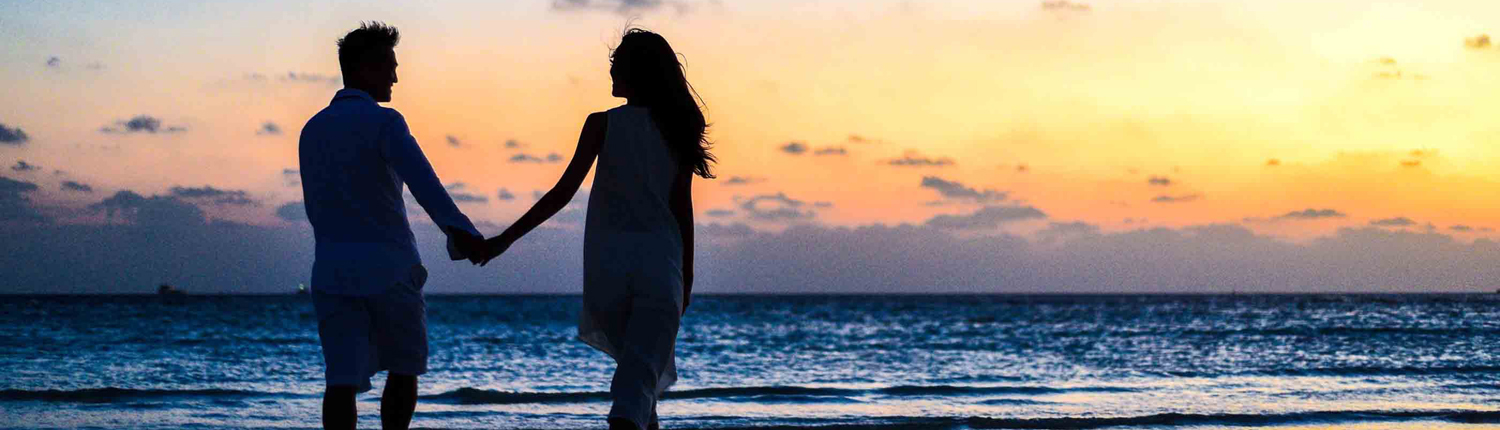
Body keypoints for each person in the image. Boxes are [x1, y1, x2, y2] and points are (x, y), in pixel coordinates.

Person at [479, 28, 713, 430]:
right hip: (660, 265)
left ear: (636, 73)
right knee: (637, 382)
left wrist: (504, 240)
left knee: (638, 379)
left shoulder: (602, 124)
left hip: (609, 269)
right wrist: (687, 275)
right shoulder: (677, 128)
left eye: (616, 66)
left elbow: (561, 193)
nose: (610, 74)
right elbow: (681, 208)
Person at [297, 21, 487, 430]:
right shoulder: (385, 122)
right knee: (404, 368)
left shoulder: (311, 129)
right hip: (389, 268)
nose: (396, 76)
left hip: (331, 272)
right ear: (365, 68)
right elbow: (426, 185)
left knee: (341, 380)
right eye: (390, 66)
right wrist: (465, 235)